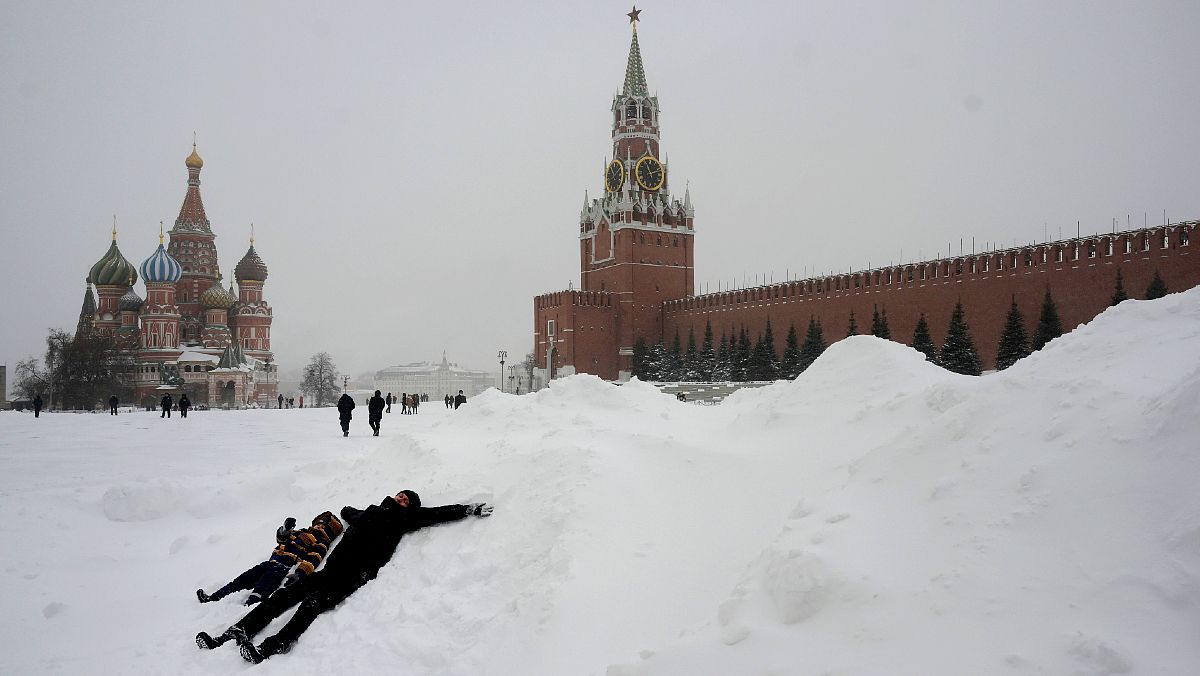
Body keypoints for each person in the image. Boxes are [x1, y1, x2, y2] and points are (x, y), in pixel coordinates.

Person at [196, 490, 493, 663]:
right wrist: (347, 510)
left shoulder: (408, 518)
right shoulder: (371, 511)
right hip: (331, 569)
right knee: (285, 596)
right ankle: (237, 631)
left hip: (354, 576)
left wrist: (469, 508)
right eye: (401, 494)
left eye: (406, 500)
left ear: (410, 507)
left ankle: (272, 646)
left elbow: (439, 513)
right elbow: (349, 512)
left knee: (310, 605)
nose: (401, 499)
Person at [197, 512, 343, 606]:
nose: (319, 525)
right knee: (241, 580)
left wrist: (300, 573)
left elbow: (313, 558)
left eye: (323, 524)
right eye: (318, 522)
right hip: (270, 562)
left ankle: (249, 606)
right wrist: (285, 530)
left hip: (283, 567)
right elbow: (281, 540)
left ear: (328, 530)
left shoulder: (321, 541)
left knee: (262, 586)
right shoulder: (300, 532)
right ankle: (214, 597)